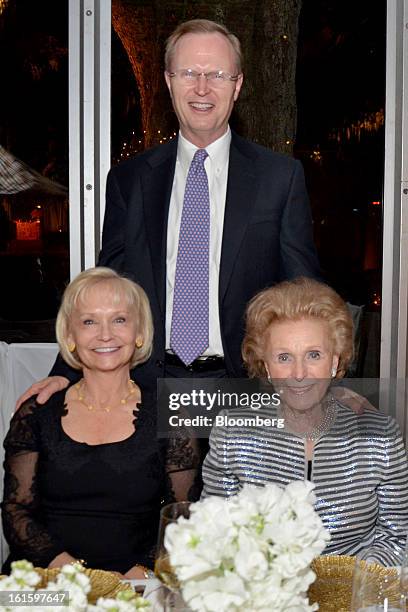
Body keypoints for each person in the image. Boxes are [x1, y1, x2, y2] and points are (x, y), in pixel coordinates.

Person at [17, 18, 321, 406]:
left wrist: (332, 385)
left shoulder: (280, 177)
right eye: (189, 73)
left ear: (238, 85)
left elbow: (307, 296)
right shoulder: (128, 180)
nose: (201, 88)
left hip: (246, 390)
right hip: (148, 390)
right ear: (167, 81)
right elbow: (106, 292)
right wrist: (65, 372)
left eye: (217, 74)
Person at [2, 268, 198, 575]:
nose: (105, 334)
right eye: (89, 321)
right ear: (69, 336)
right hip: (45, 581)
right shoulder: (36, 412)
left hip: (135, 586)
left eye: (119, 319)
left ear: (140, 333)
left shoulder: (171, 417)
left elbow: (182, 517)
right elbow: (16, 512)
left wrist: (140, 573)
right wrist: (78, 577)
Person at [202, 277, 408, 565]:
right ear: (266, 366)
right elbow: (214, 535)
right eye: (284, 357)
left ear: (335, 361)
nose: (299, 373)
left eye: (314, 355)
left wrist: (350, 588)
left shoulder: (379, 435)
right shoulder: (232, 433)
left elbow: (399, 537)